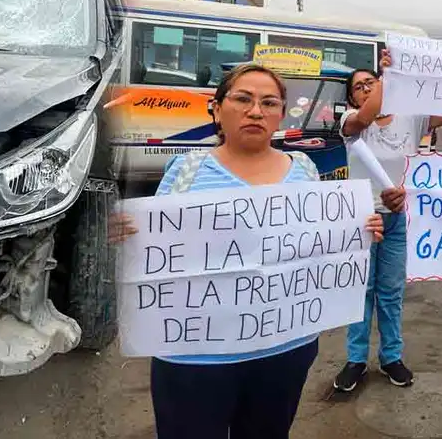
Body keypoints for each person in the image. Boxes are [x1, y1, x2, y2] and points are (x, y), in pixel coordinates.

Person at [109, 63, 385, 439]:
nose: (256, 111)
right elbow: (158, 248)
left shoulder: (303, 168)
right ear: (218, 109)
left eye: (269, 103)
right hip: (193, 359)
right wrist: (124, 234)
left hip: (284, 350)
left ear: (281, 114)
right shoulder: (186, 169)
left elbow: (319, 243)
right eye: (243, 99)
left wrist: (361, 230)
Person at [333, 48, 442, 392]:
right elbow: (365, 116)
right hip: (362, 219)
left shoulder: (411, 116)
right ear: (351, 96)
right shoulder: (351, 121)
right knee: (361, 291)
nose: (366, 88)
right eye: (359, 86)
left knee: (391, 293)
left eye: (371, 82)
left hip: (399, 218)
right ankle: (356, 360)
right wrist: (387, 78)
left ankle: (391, 356)